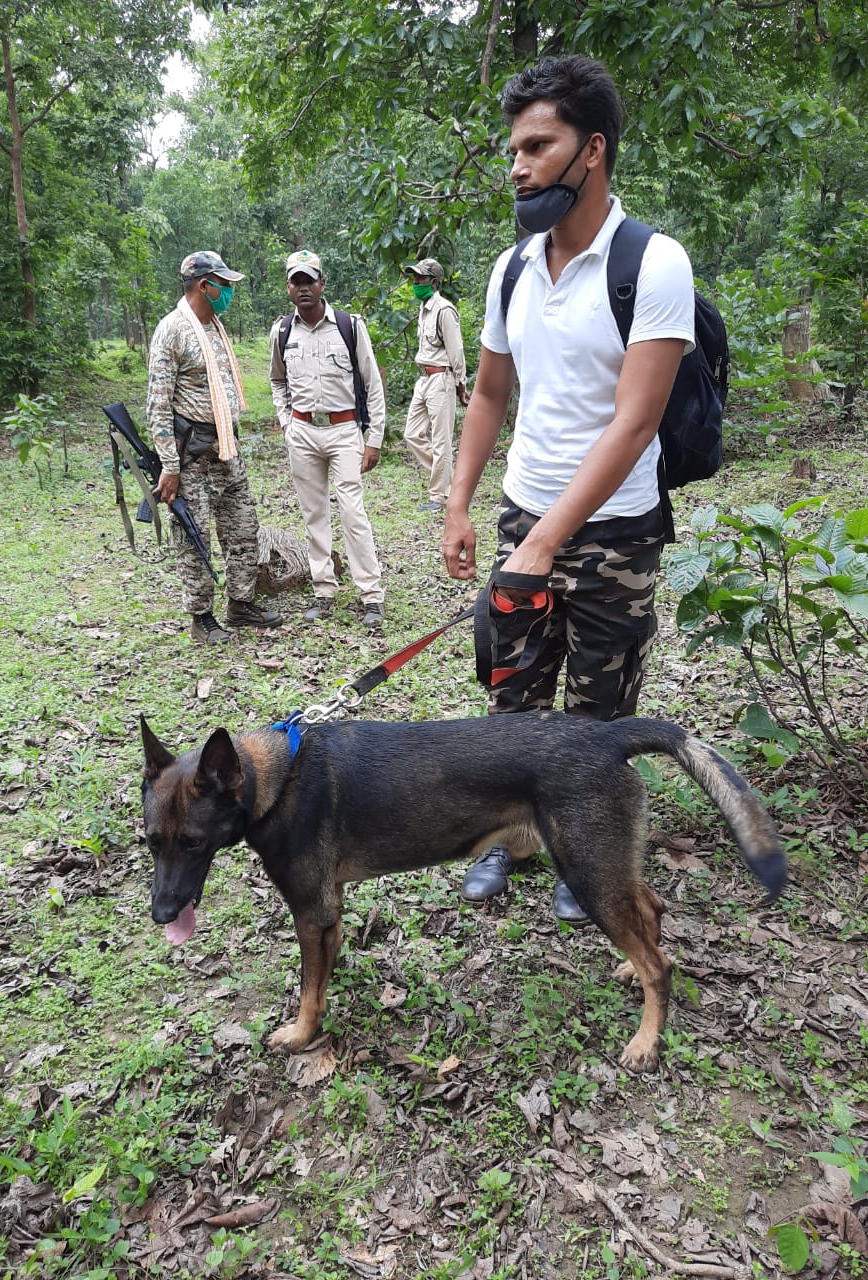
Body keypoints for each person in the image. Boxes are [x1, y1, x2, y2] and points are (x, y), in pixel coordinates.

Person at [442, 55, 695, 918]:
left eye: (536, 146)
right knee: (512, 694)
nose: (518, 165)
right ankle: (506, 839)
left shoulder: (653, 265)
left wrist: (553, 540)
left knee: (598, 703)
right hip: (524, 512)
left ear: (591, 152)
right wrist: (460, 501)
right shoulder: (511, 269)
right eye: (514, 148)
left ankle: (583, 856)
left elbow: (636, 420)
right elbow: (488, 393)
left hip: (616, 530)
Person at [146, 251, 281, 642]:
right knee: (194, 537)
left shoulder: (215, 328)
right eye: (224, 284)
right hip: (191, 456)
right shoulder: (173, 330)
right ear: (205, 285)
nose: (229, 291)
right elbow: (157, 404)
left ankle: (241, 604)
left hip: (226, 447)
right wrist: (169, 465)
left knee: (243, 529)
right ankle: (201, 616)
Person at [269, 249, 387, 631]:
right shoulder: (282, 331)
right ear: (288, 288)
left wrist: (375, 438)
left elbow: (372, 384)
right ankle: (323, 590)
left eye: (309, 280)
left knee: (353, 512)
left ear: (323, 284)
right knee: (314, 513)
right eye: (296, 282)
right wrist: (286, 422)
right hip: (302, 431)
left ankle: (371, 595)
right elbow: (277, 381)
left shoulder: (349, 326)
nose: (303, 288)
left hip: (343, 430)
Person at [402, 258, 470, 512]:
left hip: (442, 378)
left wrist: (460, 385)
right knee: (412, 434)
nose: (416, 283)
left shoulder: (444, 310)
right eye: (415, 278)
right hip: (424, 379)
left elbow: (456, 351)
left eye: (420, 278)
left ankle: (440, 496)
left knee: (441, 440)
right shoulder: (424, 308)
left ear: (434, 282)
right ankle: (448, 478)